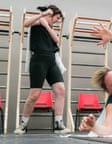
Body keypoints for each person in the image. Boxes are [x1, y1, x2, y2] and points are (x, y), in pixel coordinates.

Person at [14, 5, 70, 134]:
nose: (57, 20)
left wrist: (47, 26)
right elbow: (25, 24)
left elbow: (57, 40)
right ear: (50, 14)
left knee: (61, 90)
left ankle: (58, 124)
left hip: (51, 60)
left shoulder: (49, 27)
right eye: (56, 17)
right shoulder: (38, 21)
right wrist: (42, 16)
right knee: (34, 95)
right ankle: (23, 124)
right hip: (39, 60)